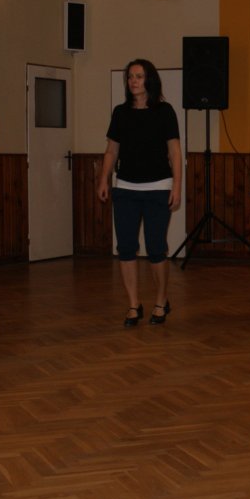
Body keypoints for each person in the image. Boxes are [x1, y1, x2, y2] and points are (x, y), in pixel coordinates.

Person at [97, 59, 182, 327]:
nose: (133, 81)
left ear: (149, 80)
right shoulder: (120, 113)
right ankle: (134, 304)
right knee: (126, 248)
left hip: (158, 188)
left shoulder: (164, 111)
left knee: (156, 248)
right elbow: (111, 150)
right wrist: (104, 179)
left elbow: (175, 152)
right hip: (125, 189)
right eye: (130, 76)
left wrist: (177, 186)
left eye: (139, 76)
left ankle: (161, 300)